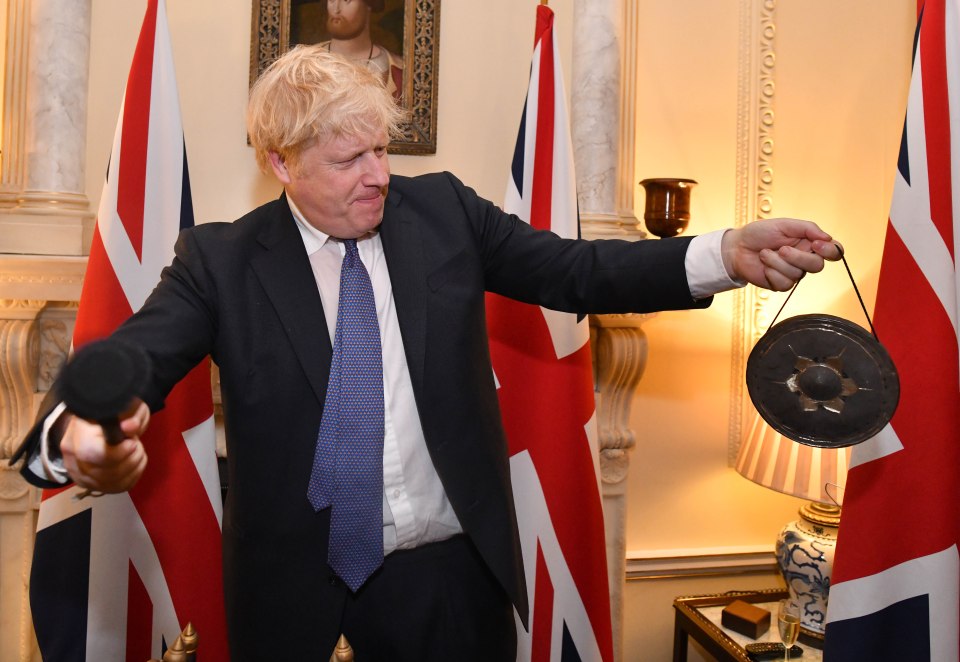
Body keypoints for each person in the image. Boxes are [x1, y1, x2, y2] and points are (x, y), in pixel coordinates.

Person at [13, 45, 841, 661]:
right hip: (291, 597)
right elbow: (132, 356)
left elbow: (578, 270)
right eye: (348, 160)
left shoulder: (443, 213)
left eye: (382, 149)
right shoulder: (222, 260)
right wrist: (77, 436)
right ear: (281, 163)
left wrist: (724, 253)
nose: (378, 175)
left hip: (448, 584)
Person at [317, 0, 404, 101]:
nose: (336, 9)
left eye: (347, 1)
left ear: (368, 6)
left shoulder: (397, 70)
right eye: (332, 0)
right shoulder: (304, 62)